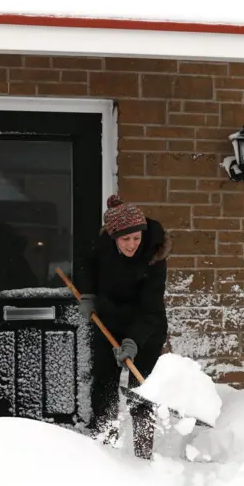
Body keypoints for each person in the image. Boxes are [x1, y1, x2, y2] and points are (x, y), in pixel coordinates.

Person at [77, 194, 171, 460]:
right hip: (108, 320)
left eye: (136, 238)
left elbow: (151, 309)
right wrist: (87, 296)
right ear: (114, 236)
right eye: (125, 239)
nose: (132, 245)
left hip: (146, 326)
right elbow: (85, 265)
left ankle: (142, 456)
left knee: (141, 391)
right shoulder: (102, 245)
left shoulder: (154, 256)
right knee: (104, 387)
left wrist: (134, 341)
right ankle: (103, 449)